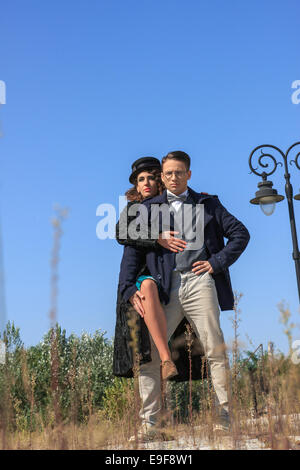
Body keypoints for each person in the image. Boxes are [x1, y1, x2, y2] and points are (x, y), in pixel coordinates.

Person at [119, 150, 250, 437]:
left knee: (215, 346)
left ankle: (224, 413)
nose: (174, 177)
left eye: (179, 172)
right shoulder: (148, 208)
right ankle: (150, 424)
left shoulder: (208, 203)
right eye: (169, 173)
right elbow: (125, 239)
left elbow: (241, 233)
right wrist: (129, 287)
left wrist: (215, 263)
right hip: (165, 288)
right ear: (162, 178)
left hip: (200, 281)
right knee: (151, 353)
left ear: (188, 174)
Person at [113, 156, 200, 381]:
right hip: (142, 278)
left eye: (151, 178)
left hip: (175, 279)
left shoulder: (173, 204)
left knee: (189, 353)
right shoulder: (135, 209)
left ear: (160, 179)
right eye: (141, 180)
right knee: (144, 354)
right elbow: (121, 234)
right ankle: (165, 358)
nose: (146, 183)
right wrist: (157, 238)